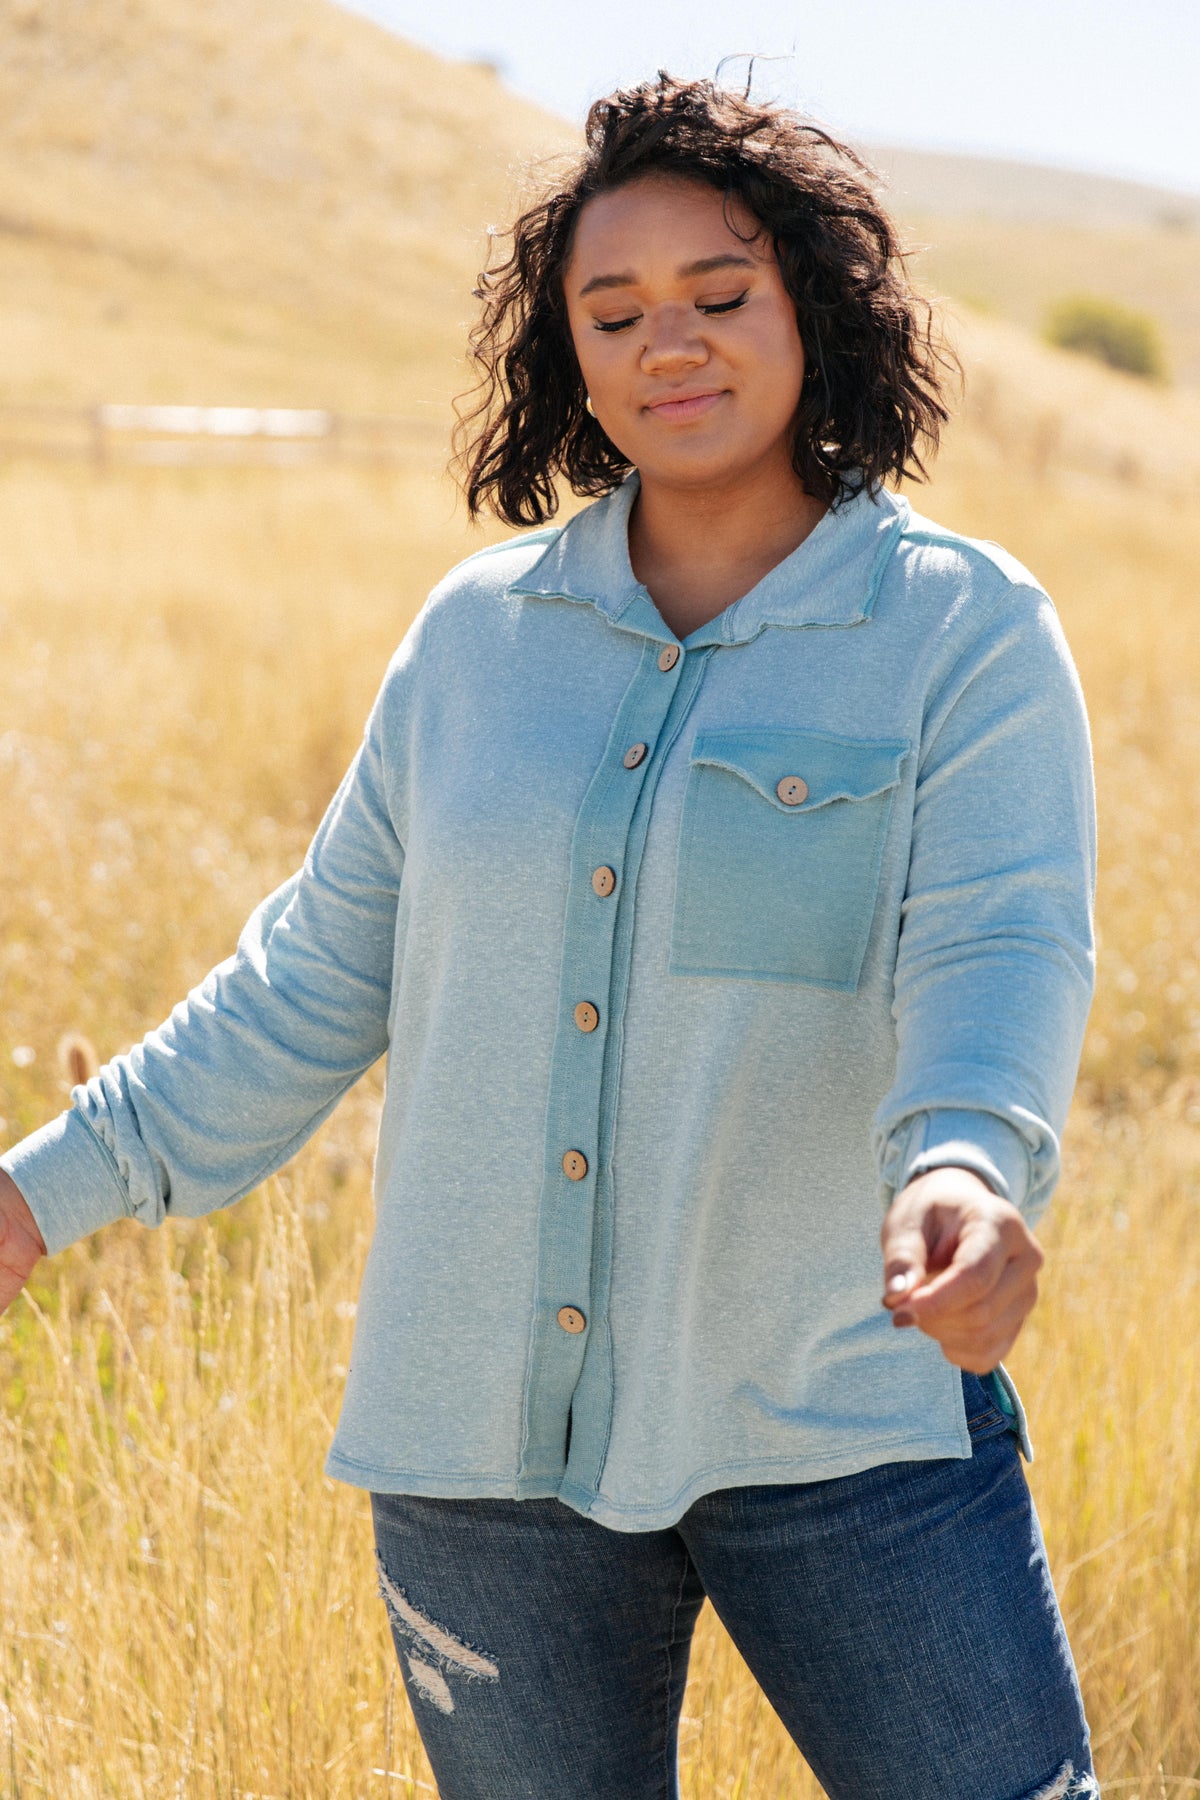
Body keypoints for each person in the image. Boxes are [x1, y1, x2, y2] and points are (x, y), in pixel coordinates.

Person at [0, 73, 1099, 1800]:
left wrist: (965, 1164)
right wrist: (34, 1195)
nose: (672, 343)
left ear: (813, 307)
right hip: (481, 1461)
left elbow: (999, 945)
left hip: (849, 1420)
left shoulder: (960, 632)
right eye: (616, 311)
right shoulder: (474, 642)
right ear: (567, 352)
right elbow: (310, 981)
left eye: (721, 294)